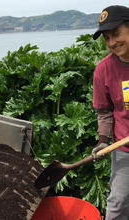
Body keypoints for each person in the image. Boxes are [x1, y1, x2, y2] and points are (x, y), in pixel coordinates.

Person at [92, 5, 129, 220]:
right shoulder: (104, 70)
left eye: (116, 34)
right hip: (124, 151)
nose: (112, 42)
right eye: (107, 38)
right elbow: (105, 112)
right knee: (118, 205)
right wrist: (103, 140)